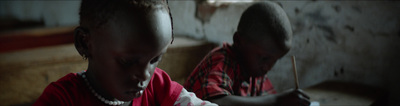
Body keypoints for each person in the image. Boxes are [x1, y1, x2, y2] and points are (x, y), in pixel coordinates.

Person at [34, 0, 217, 106]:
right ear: (85, 43)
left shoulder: (158, 87)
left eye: (155, 59)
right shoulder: (61, 100)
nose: (145, 75)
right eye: (127, 62)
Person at [183, 2, 310, 106]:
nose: (267, 67)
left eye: (275, 60)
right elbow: (215, 102)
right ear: (238, 41)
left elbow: (265, 101)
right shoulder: (222, 61)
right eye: (264, 58)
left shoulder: (256, 70)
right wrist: (278, 100)